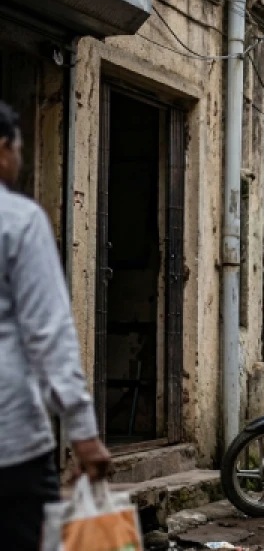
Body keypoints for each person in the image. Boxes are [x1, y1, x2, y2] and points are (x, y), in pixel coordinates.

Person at [0, 101, 112, 550]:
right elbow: (48, 333)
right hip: (12, 446)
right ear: (3, 148)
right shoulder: (19, 221)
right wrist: (83, 434)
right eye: (18, 149)